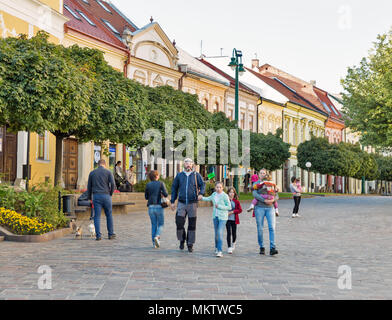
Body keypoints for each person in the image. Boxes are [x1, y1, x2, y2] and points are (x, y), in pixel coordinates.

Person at [170, 158, 205, 253]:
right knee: (179, 223)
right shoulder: (179, 176)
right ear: (183, 164)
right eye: (186, 163)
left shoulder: (196, 175)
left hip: (192, 203)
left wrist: (201, 193)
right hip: (181, 203)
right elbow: (174, 188)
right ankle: (182, 240)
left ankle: (190, 244)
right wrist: (172, 201)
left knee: (192, 225)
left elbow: (202, 185)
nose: (188, 164)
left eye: (189, 163)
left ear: (192, 164)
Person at [200, 182, 232, 258]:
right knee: (216, 233)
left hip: (223, 217)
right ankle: (216, 247)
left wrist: (220, 206)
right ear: (215, 188)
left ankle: (220, 251)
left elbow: (229, 207)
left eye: (220, 187)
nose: (218, 189)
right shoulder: (214, 194)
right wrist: (201, 198)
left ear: (222, 188)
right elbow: (208, 198)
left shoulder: (225, 196)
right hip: (215, 216)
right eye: (217, 187)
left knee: (220, 232)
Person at [87, 159, 116, 241]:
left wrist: (89, 197)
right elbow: (113, 184)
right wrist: (110, 193)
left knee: (97, 216)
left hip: (96, 196)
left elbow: (89, 187)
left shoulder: (92, 173)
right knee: (109, 215)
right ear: (105, 164)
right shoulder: (108, 172)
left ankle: (98, 235)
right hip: (106, 195)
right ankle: (110, 234)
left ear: (98, 164)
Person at [252, 168, 279, 256]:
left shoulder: (271, 183)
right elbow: (255, 194)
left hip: (270, 208)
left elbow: (277, 195)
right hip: (259, 207)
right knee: (260, 228)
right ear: (258, 174)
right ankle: (262, 246)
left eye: (264, 173)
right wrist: (264, 200)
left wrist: (273, 200)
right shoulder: (256, 184)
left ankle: (272, 247)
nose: (263, 174)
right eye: (261, 173)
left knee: (272, 227)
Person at [144, 170, 169, 248]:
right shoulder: (161, 183)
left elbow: (146, 197)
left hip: (151, 207)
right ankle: (157, 236)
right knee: (161, 224)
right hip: (159, 206)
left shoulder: (148, 185)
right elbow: (166, 194)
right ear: (157, 176)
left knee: (153, 224)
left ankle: (154, 244)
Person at [226, 187, 242, 254]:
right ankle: (229, 247)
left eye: (233, 192)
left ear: (234, 193)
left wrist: (232, 212)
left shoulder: (236, 201)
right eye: (230, 192)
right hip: (227, 219)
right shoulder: (226, 200)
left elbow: (240, 210)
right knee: (229, 232)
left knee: (234, 233)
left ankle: (233, 243)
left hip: (234, 219)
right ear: (228, 193)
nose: (231, 194)